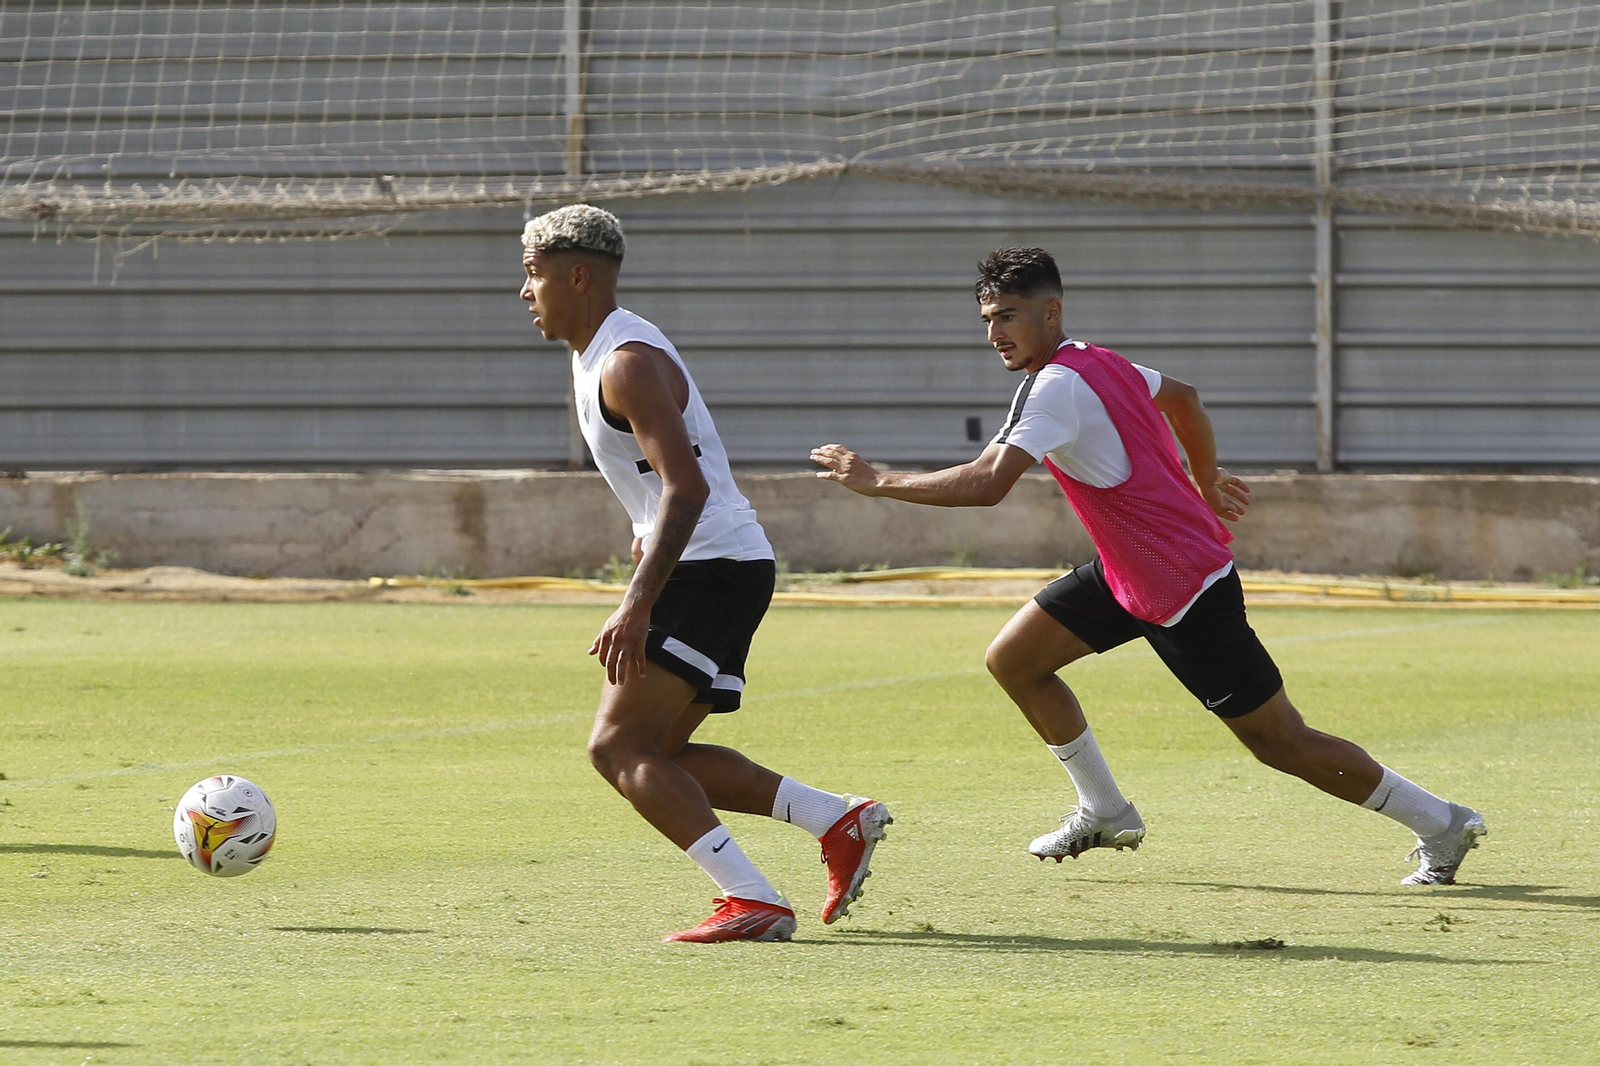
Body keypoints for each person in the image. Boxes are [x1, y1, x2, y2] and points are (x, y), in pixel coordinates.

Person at [810, 246, 1485, 887]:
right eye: (988, 319)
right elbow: (1186, 397)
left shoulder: (1053, 389)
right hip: (1130, 573)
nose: (995, 333)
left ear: (1052, 312)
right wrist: (1208, 479)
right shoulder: (1099, 362)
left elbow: (988, 483)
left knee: (1282, 743)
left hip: (1183, 587)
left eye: (1008, 315)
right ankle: (1105, 811)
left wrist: (879, 482)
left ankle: (1442, 823)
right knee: (1015, 660)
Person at [521, 204, 892, 941]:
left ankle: (752, 897)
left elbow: (685, 488)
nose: (524, 292)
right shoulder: (599, 351)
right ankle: (836, 818)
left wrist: (636, 602)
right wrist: (643, 537)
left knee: (616, 748)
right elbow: (666, 484)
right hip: (721, 564)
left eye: (533, 276)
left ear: (578, 276)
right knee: (660, 753)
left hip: (709, 569)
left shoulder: (625, 362)